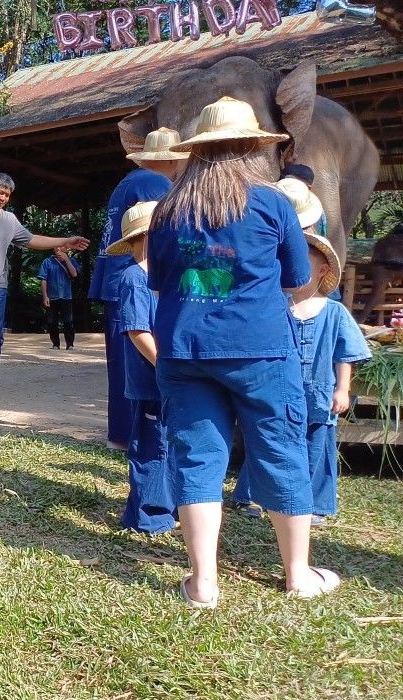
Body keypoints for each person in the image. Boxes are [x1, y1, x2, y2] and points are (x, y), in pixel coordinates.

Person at [147, 96, 339, 607]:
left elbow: (163, 282)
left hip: (185, 350)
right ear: (255, 147)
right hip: (261, 350)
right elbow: (299, 278)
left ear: (197, 151)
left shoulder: (168, 210)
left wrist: (210, 278)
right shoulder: (273, 203)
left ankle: (203, 583)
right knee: (279, 450)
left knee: (196, 458)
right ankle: (298, 575)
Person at [234, 232, 370, 526]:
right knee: (266, 441)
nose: (292, 269)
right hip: (276, 392)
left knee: (316, 447)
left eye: (301, 263)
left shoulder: (334, 312)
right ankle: (253, 495)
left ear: (322, 271)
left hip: (317, 394)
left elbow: (344, 355)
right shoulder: (276, 307)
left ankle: (315, 504)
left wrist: (343, 389)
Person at [231, 177, 332, 518]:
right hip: (269, 347)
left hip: (246, 343)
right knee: (278, 437)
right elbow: (296, 279)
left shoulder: (246, 223)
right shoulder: (280, 230)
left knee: (265, 433)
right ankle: (293, 553)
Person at [91, 128, 187, 450]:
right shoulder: (156, 185)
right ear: (172, 159)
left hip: (115, 280)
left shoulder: (127, 182)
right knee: (141, 361)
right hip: (138, 281)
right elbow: (166, 233)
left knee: (122, 365)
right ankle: (134, 433)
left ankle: (120, 432)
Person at [0, 174, 88, 399]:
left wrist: (64, 241)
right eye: (0, 192)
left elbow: (32, 240)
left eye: (7, 195)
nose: (3, 198)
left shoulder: (9, 220)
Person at [107, 201, 176, 534]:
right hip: (152, 381)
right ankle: (150, 516)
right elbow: (137, 331)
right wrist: (164, 366)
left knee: (166, 443)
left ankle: (155, 510)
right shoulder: (135, 278)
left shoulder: (163, 276)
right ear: (148, 237)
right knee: (152, 446)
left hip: (166, 381)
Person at [37, 246, 80, 349]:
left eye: (62, 247)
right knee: (51, 321)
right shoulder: (47, 262)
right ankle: (55, 344)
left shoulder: (71, 260)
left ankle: (70, 344)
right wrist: (45, 296)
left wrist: (66, 260)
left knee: (68, 321)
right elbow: (43, 279)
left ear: (66, 249)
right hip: (52, 297)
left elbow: (74, 274)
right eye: (57, 248)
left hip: (66, 296)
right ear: (54, 249)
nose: (59, 250)